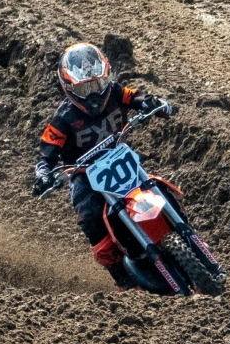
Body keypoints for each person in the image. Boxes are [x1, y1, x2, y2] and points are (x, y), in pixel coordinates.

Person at [32, 42, 159, 285]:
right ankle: (120, 275)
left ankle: (182, 230)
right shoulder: (63, 118)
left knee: (155, 186)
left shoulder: (114, 92)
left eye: (98, 84)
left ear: (106, 77)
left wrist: (149, 103)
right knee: (89, 217)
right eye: (85, 88)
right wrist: (43, 174)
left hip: (119, 156)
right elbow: (46, 152)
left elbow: (135, 96)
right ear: (69, 88)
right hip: (85, 174)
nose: (94, 94)